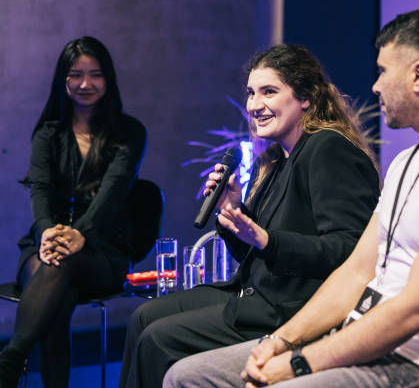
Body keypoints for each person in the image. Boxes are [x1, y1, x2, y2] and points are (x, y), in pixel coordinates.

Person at [163, 8, 419, 388]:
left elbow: (416, 308)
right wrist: (281, 342)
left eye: (384, 71)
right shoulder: (407, 161)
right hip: (361, 334)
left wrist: (300, 363)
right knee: (186, 376)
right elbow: (356, 271)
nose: (375, 86)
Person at [118, 44, 381, 388]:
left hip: (289, 308)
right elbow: (256, 253)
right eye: (251, 94)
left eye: (269, 92)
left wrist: (266, 240)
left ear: (305, 98)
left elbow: (348, 250)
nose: (255, 105)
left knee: (158, 339)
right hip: (253, 292)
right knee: (143, 317)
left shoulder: (327, 148)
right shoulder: (276, 158)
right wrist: (233, 212)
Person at [0, 36, 146, 388]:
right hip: (47, 245)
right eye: (75, 74)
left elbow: (114, 191)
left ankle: (8, 365)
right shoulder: (48, 133)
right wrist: (46, 231)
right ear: (63, 79)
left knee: (59, 267)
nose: (85, 84)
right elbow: (40, 190)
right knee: (57, 291)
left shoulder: (129, 132)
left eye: (95, 75)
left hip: (104, 251)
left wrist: (82, 233)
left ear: (109, 79)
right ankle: (13, 369)